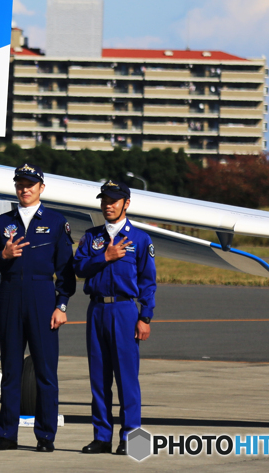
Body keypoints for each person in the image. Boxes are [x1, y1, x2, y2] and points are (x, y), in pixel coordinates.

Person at [0, 163, 75, 453]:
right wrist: (3, 255)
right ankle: (7, 434)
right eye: (20, 183)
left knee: (45, 370)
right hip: (10, 294)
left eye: (30, 184)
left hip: (42, 296)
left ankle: (45, 436)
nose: (25, 188)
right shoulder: (2, 223)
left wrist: (61, 304)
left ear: (41, 188)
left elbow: (66, 271)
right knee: (10, 369)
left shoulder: (57, 222)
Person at [74, 180, 156, 456]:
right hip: (96, 309)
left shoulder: (140, 239)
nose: (108, 205)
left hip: (124, 310)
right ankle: (101, 436)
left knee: (126, 378)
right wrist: (104, 257)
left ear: (126, 203)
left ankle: (131, 437)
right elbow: (80, 268)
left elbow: (148, 281)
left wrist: (145, 316)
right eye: (104, 200)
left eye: (113, 200)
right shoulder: (91, 236)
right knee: (99, 378)